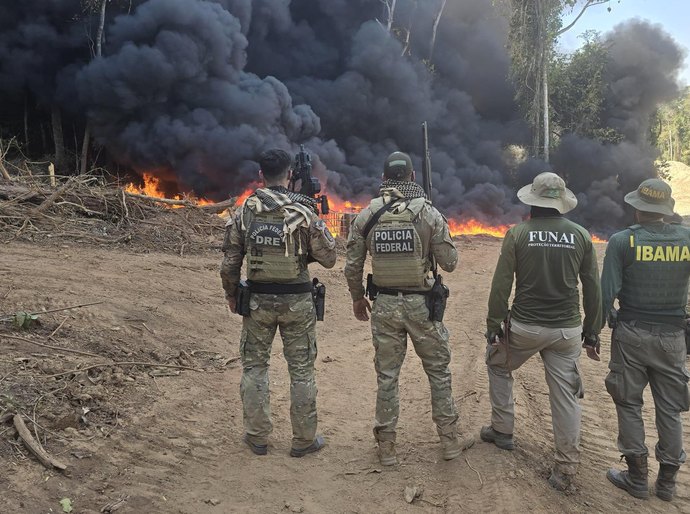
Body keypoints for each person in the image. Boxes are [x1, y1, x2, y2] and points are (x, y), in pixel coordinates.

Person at [344, 151, 472, 466]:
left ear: (384, 179)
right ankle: (450, 442)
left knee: (387, 375)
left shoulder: (367, 215)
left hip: (384, 305)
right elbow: (451, 263)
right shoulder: (428, 214)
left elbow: (352, 265)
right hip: (422, 306)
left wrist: (358, 297)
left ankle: (386, 448)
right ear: (413, 177)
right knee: (438, 373)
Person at [482, 172, 602, 491]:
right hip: (566, 332)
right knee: (566, 396)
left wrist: (494, 325)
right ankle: (565, 469)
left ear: (531, 201)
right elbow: (592, 289)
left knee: (497, 363)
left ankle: (503, 431)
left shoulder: (517, 234)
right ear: (561, 204)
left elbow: (501, 286)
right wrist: (592, 332)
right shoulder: (580, 235)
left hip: (524, 327)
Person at [220, 149, 337, 457]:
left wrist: (232, 294)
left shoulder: (246, 210)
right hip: (297, 302)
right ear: (289, 176)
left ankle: (257, 437)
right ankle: (303, 440)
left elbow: (230, 262)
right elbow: (329, 258)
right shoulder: (303, 211)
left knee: (255, 366)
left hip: (257, 300)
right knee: (301, 371)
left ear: (262, 175)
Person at [601, 178, 690, 501]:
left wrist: (593, 331)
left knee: (628, 402)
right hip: (673, 338)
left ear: (638, 208)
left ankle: (637, 477)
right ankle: (667, 482)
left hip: (632, 334)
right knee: (670, 409)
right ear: (667, 210)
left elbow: (606, 293)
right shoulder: (687, 238)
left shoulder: (623, 242)